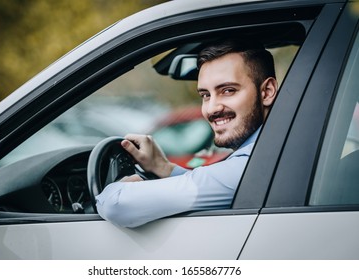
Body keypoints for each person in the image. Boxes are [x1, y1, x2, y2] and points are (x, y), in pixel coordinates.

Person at [96, 38, 278, 228]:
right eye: (205, 95)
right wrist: (163, 167)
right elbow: (210, 183)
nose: (211, 109)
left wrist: (119, 187)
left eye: (228, 90)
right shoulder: (273, 149)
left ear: (267, 91)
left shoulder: (254, 165)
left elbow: (117, 205)